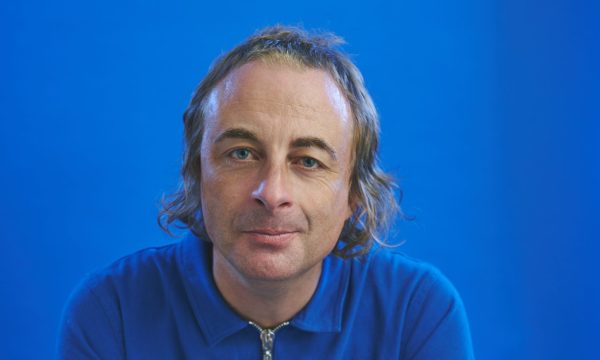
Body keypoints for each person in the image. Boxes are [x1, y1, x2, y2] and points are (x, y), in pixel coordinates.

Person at [58, 25, 474, 359]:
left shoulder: (415, 312)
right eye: (242, 153)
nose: (272, 193)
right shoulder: (111, 312)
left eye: (308, 161)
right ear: (197, 172)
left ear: (353, 192)